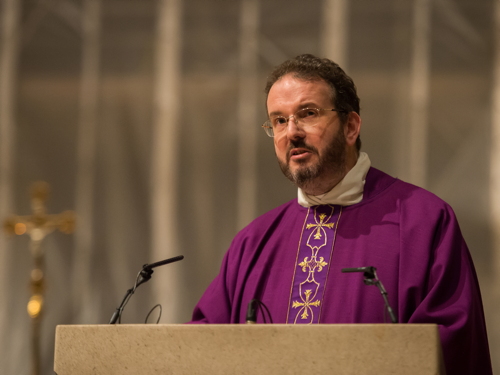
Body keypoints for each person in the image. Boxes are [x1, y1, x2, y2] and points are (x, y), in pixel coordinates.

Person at [189, 54, 492, 374]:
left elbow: (452, 348)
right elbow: (201, 347)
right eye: (279, 120)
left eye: (307, 114)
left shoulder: (424, 222)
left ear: (350, 126)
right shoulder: (252, 243)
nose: (291, 132)